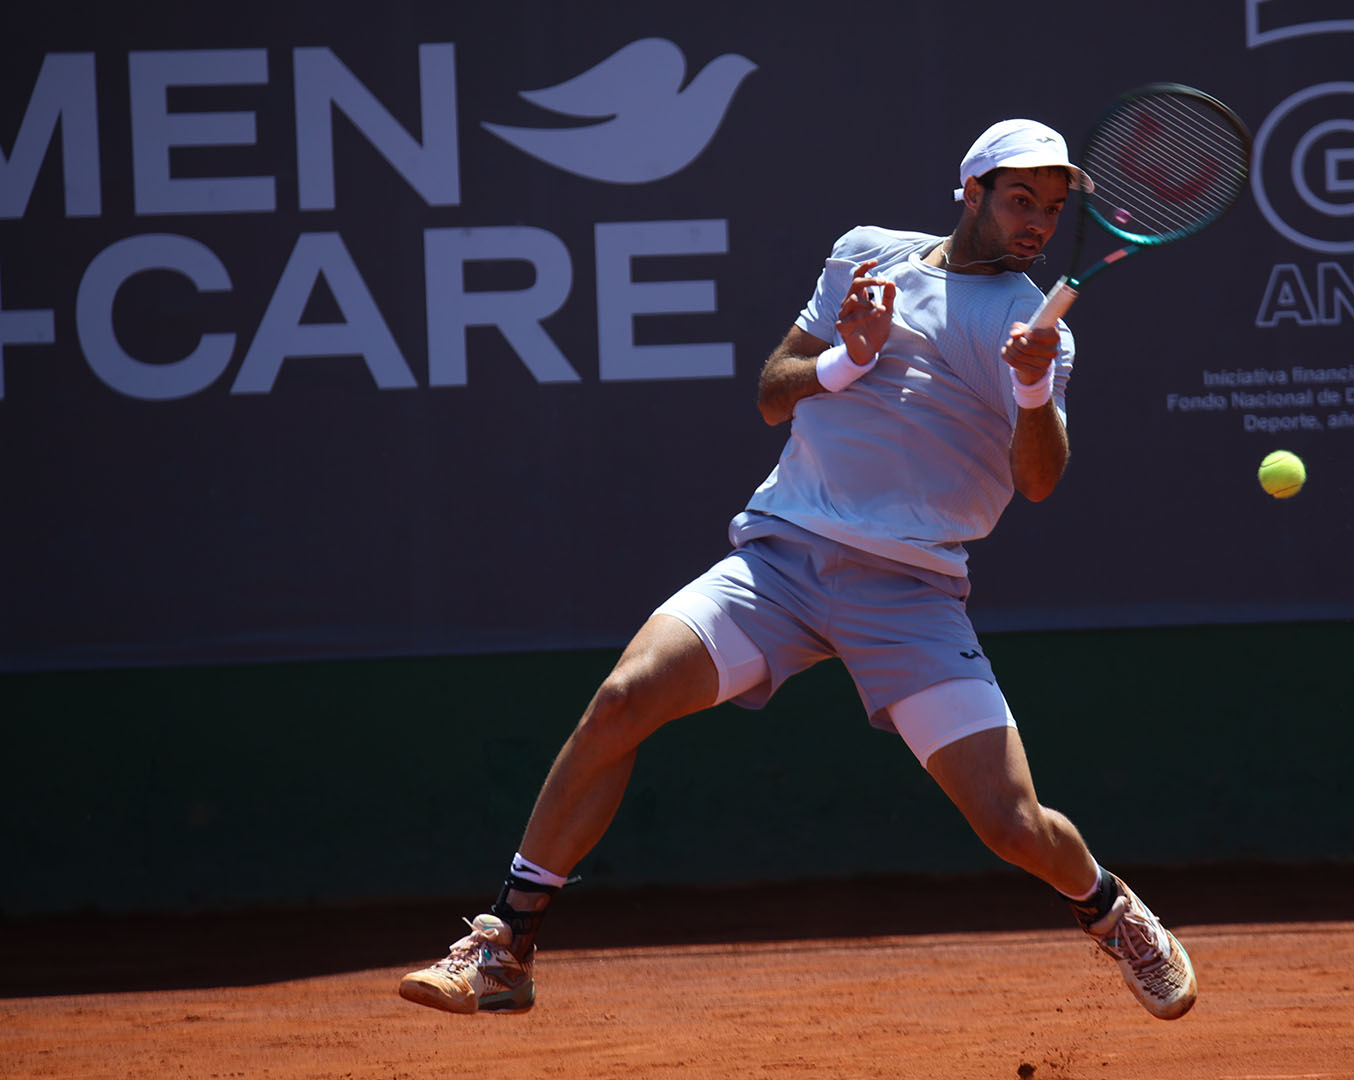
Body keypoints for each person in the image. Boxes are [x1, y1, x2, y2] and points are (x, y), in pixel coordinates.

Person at [396, 118, 1197, 1019]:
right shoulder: (866, 257)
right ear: (969, 193)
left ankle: (1109, 910)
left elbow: (1038, 483)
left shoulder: (1030, 325)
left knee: (1013, 825)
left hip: (909, 591)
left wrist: (1033, 387)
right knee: (623, 701)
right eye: (1020, 200)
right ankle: (503, 949)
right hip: (780, 563)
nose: (1037, 224)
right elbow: (775, 390)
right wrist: (849, 358)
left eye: (1051, 210)